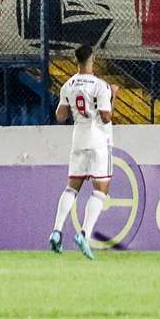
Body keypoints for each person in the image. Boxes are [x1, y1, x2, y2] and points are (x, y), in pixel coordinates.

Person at [49, 44, 119, 260]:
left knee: (72, 188)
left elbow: (60, 116)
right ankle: (84, 234)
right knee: (100, 191)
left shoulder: (68, 85)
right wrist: (113, 95)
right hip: (98, 140)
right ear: (92, 59)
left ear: (76, 61)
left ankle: (56, 231)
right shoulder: (101, 85)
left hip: (78, 140)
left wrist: (71, 105)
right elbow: (106, 117)